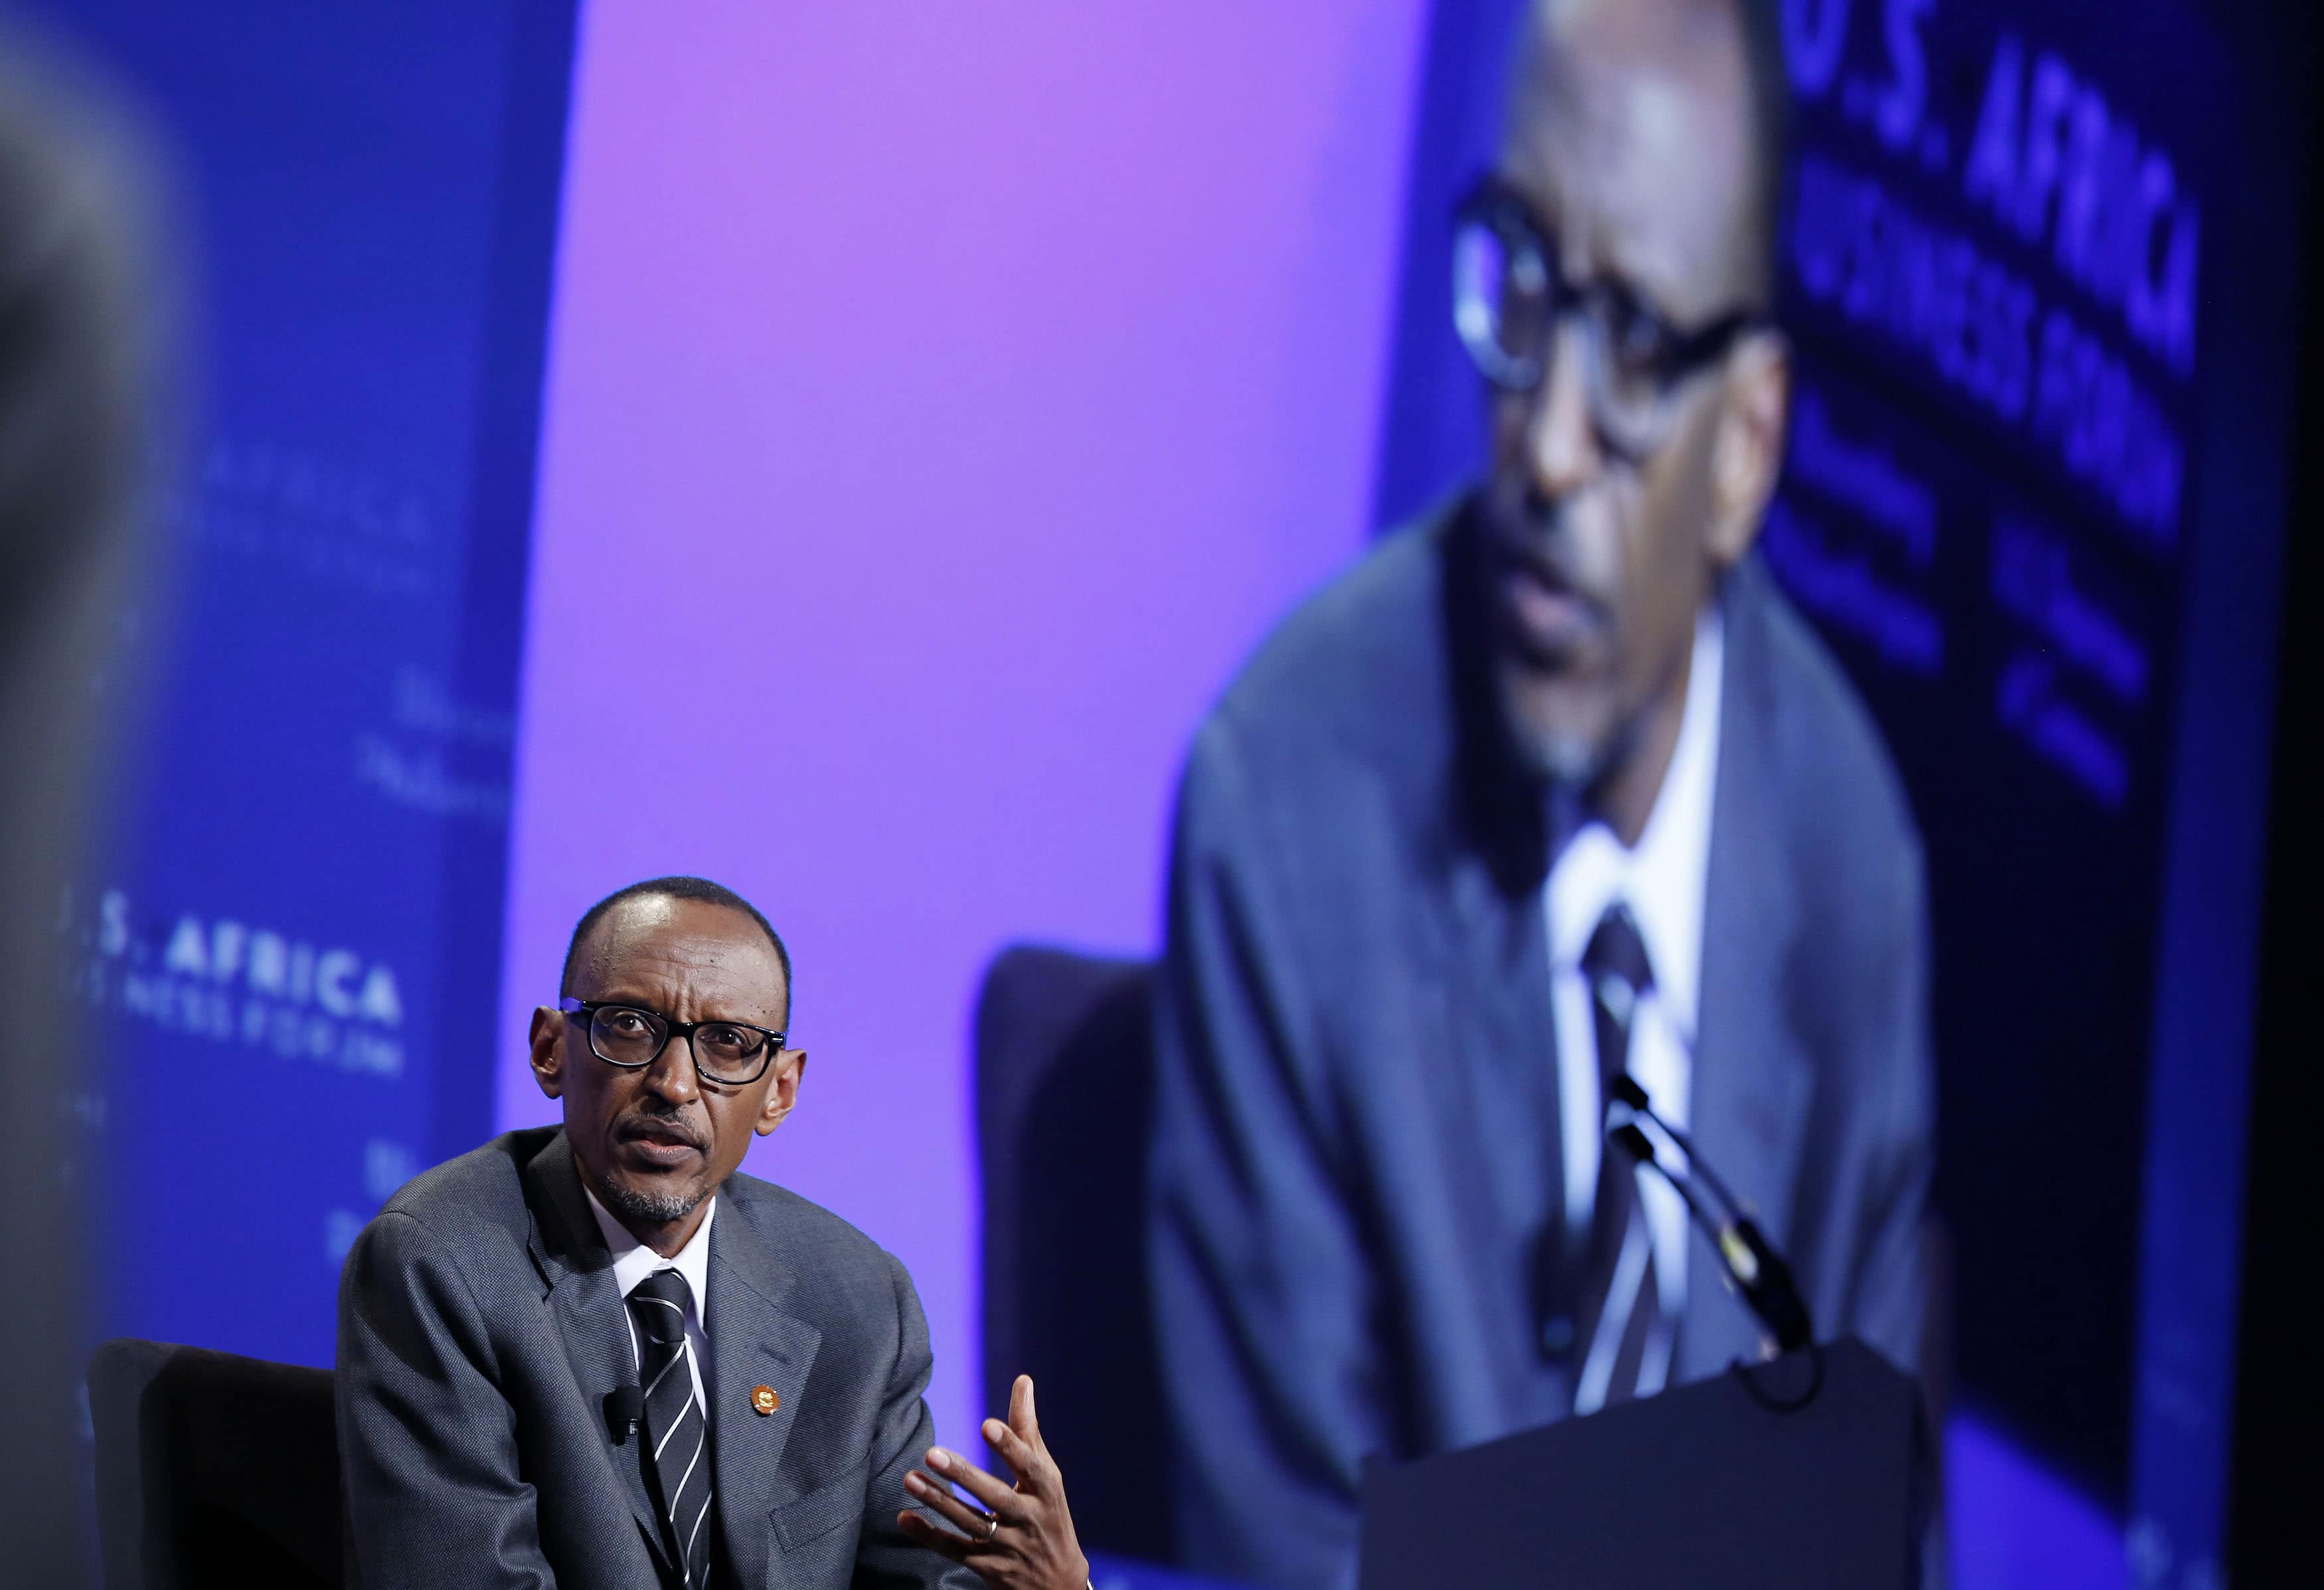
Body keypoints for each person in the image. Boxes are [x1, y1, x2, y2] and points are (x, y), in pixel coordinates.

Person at [1147, 2, 1934, 1587]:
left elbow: (1869, 1527)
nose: (1548, 441)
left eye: (1636, 341)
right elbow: (1289, 1554)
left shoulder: (1850, 857)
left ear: (1748, 448)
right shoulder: (1288, 812)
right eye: (1518, 270)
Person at [339, 876, 1091, 1590]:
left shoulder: (856, 1298)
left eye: (728, 1042)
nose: (673, 1083)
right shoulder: (444, 1262)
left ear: (780, 1091)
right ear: (549, 1050)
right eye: (629, 1027)